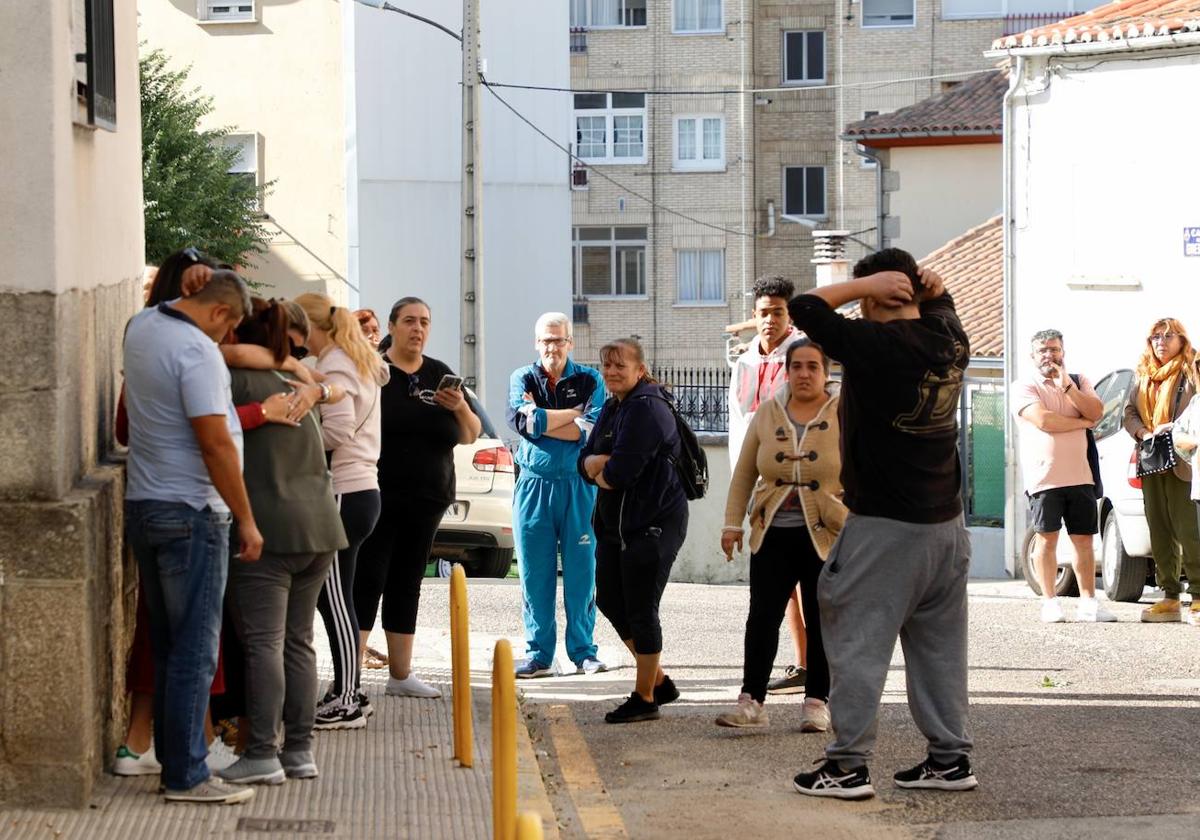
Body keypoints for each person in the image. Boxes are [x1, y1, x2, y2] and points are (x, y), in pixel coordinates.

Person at [788, 249, 977, 800]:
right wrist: (929, 289)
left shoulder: (877, 346)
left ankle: (847, 766)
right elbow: (940, 304)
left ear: (876, 297)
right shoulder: (950, 337)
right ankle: (949, 758)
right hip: (947, 525)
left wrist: (861, 284)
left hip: (884, 527)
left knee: (856, 641)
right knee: (940, 649)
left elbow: (806, 307)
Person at [123, 270, 261, 805]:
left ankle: (173, 759)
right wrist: (246, 518)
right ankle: (187, 775)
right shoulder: (196, 352)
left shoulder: (141, 326)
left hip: (147, 504)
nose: (226, 341)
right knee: (194, 651)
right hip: (193, 513)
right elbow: (215, 444)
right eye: (228, 329)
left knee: (167, 642)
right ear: (222, 313)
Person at [217, 299, 348, 785]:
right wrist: (295, 365)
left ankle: (260, 755)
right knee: (299, 643)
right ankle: (299, 751)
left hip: (266, 528)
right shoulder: (303, 381)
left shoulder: (232, 378)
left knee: (264, 645)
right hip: (318, 528)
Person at [354, 297, 481, 699]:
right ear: (391, 326)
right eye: (409, 321)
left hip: (428, 497)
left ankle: (401, 675)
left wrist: (459, 406)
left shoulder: (440, 374)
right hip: (377, 493)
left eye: (425, 321)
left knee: (408, 581)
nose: (418, 329)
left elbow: (471, 433)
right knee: (367, 579)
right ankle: (349, 675)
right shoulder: (374, 370)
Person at [716, 338, 844, 731]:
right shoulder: (769, 412)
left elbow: (868, 468)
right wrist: (732, 523)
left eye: (812, 367)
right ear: (786, 371)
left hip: (825, 534)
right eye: (797, 366)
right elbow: (743, 474)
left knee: (822, 621)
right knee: (762, 618)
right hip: (771, 532)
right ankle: (751, 700)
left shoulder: (845, 412)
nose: (804, 373)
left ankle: (816, 702)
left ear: (825, 372)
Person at [579, 339, 689, 724]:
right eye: (606, 365)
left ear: (639, 370)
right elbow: (584, 464)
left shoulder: (647, 408)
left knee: (642, 609)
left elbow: (619, 475)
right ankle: (658, 680)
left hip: (653, 523)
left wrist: (601, 467)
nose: (611, 371)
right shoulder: (613, 406)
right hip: (616, 525)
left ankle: (645, 698)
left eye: (619, 365)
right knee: (610, 598)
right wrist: (597, 463)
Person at [295, 293, 390, 729]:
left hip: (344, 492)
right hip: (362, 490)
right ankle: (348, 689)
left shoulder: (337, 365)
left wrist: (294, 434)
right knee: (340, 596)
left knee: (331, 598)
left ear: (313, 328)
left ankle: (348, 697)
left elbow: (337, 430)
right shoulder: (358, 361)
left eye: (298, 329)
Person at [508, 313, 607, 679]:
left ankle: (583, 652)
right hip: (534, 486)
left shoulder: (590, 379)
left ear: (570, 342)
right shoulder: (522, 377)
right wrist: (570, 415)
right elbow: (526, 424)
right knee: (535, 575)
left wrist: (548, 420)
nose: (552, 346)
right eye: (546, 340)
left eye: (558, 340)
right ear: (537, 343)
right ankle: (538, 655)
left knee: (582, 572)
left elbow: (589, 430)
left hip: (578, 485)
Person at [728, 276, 808, 696]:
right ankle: (800, 663)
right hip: (759, 488)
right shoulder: (744, 363)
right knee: (775, 589)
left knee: (806, 584)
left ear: (789, 314)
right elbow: (738, 427)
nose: (769, 320)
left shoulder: (803, 357)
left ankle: (813, 669)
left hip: (797, 486)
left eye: (778, 311)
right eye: (763, 313)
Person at [1013, 330, 1116, 623]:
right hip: (1044, 478)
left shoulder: (1079, 381)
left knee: (1084, 540)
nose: (1049, 355)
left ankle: (1089, 604)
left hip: (1081, 475)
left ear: (1063, 352)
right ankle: (1049, 602)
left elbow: (1096, 410)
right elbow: (1044, 421)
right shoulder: (1024, 385)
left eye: (1054, 349)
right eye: (1043, 350)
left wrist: (1067, 387)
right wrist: (1083, 422)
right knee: (1047, 539)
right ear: (1033, 356)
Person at [1123, 318, 1200, 623]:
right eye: (1155, 336)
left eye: (1169, 336)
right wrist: (1143, 433)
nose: (1161, 342)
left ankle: (1197, 594)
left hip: (1184, 457)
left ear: (1182, 340)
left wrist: (1176, 429)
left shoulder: (1191, 369)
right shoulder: (1143, 375)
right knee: (1159, 526)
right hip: (1152, 455)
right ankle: (1169, 596)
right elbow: (1128, 412)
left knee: (1188, 528)